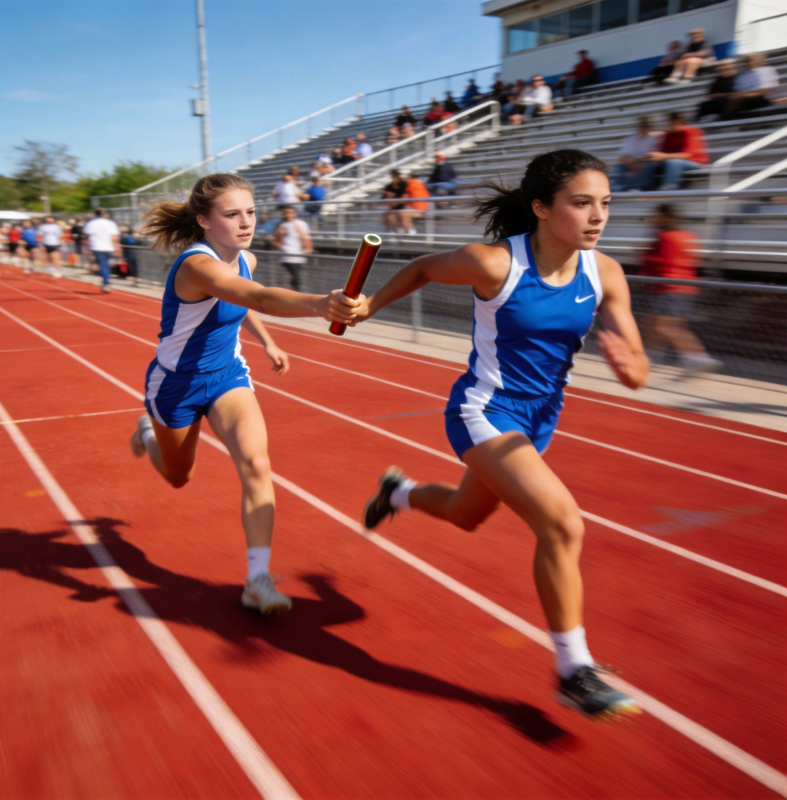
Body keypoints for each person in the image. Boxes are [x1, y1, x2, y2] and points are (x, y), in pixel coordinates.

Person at [356, 149, 647, 719]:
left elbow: (637, 371)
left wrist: (625, 362)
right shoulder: (494, 264)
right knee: (562, 523)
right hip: (484, 410)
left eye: (605, 204)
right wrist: (370, 305)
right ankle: (573, 669)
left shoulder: (604, 272)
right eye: (582, 203)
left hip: (541, 419)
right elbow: (420, 268)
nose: (598, 216)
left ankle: (398, 493)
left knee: (467, 513)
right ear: (541, 208)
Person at [133, 173, 360, 613]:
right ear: (203, 219)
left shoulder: (247, 259)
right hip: (175, 385)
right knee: (179, 477)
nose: (246, 222)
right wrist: (319, 304)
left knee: (257, 464)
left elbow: (244, 303)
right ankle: (147, 434)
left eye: (251, 212)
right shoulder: (196, 264)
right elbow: (253, 295)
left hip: (226, 376)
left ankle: (258, 580)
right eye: (232, 214)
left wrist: (267, 341)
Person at [641, 204, 721, 375]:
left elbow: (666, 262)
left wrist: (645, 256)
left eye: (656, 215)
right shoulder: (687, 236)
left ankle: (698, 358)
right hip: (683, 287)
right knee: (653, 323)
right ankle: (652, 358)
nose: (652, 219)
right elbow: (694, 259)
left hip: (670, 287)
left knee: (665, 326)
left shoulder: (666, 237)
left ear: (664, 217)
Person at [640, 111, 709, 190]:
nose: (670, 123)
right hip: (673, 162)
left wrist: (663, 156)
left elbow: (687, 155)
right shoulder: (669, 135)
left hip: (695, 163)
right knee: (650, 164)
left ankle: (668, 188)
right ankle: (644, 187)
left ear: (679, 121)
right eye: (670, 121)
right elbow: (663, 153)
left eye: (673, 121)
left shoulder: (691, 131)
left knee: (673, 162)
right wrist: (654, 157)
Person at [721, 52, 780, 120]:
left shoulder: (767, 71)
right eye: (747, 61)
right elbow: (737, 89)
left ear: (759, 60)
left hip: (760, 97)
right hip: (745, 98)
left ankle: (728, 118)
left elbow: (766, 90)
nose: (748, 63)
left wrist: (744, 94)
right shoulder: (744, 75)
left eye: (750, 60)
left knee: (737, 99)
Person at [610, 116, 662, 192]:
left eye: (645, 125)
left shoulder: (654, 138)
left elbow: (652, 155)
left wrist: (635, 160)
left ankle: (640, 187)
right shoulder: (632, 139)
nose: (643, 128)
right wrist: (626, 161)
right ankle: (615, 188)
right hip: (632, 161)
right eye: (641, 125)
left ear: (649, 126)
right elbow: (624, 155)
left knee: (647, 165)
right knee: (619, 167)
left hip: (647, 161)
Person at [271, 204, 313, 290]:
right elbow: (274, 240)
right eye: (286, 213)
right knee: (294, 279)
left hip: (298, 256)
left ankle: (295, 295)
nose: (288, 214)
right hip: (286, 257)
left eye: (291, 212)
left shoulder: (301, 224)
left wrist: (308, 249)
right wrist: (282, 247)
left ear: (295, 214)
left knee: (296, 280)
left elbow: (306, 238)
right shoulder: (281, 225)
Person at [83, 208, 121, 293]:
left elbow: (86, 236)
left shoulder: (91, 223)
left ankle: (106, 282)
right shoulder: (111, 223)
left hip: (96, 247)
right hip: (109, 247)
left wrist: (86, 247)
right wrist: (117, 247)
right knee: (104, 265)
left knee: (102, 265)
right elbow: (115, 237)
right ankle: (105, 280)